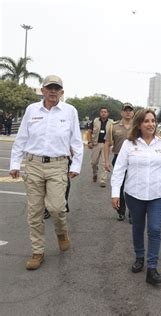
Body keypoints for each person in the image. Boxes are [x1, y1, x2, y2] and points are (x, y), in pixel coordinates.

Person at [9, 75, 83, 270]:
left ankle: (61, 232)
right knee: (34, 212)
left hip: (58, 165)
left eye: (56, 88)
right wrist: (15, 163)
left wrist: (75, 165)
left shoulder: (69, 112)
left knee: (57, 208)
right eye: (49, 88)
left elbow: (76, 141)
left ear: (61, 92)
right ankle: (37, 251)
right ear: (42, 90)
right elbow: (21, 138)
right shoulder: (32, 110)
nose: (52, 91)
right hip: (33, 164)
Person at [111, 109, 161, 286]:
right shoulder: (129, 144)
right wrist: (115, 193)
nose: (151, 124)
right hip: (134, 194)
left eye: (153, 121)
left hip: (158, 194)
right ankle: (140, 256)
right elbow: (119, 170)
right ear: (139, 124)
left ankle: (152, 267)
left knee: (155, 229)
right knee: (138, 227)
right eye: (146, 121)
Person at [104, 103, 134, 222]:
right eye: (125, 110)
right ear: (122, 112)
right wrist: (106, 161)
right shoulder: (114, 126)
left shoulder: (138, 126)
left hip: (134, 159)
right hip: (118, 158)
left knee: (133, 186)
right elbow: (107, 144)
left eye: (130, 110)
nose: (128, 112)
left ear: (133, 113)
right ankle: (121, 211)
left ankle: (133, 212)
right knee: (119, 185)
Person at [87, 106, 113, 187]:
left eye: (105, 112)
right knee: (94, 162)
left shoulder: (112, 122)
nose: (103, 113)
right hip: (96, 144)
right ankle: (95, 173)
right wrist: (89, 141)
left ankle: (103, 180)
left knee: (104, 162)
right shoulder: (95, 121)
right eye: (102, 112)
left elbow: (114, 134)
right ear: (100, 113)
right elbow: (89, 132)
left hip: (106, 144)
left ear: (108, 113)